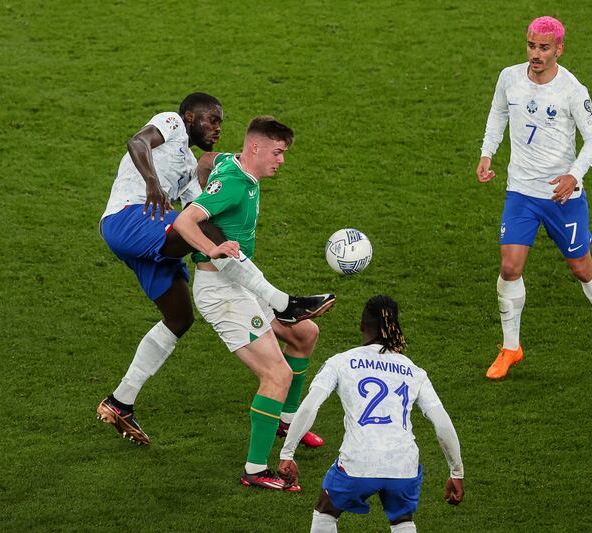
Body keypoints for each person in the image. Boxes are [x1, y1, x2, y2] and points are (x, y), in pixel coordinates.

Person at [96, 96, 334, 446]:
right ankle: (282, 301)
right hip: (129, 217)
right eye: (211, 120)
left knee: (179, 318)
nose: (218, 127)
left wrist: (231, 179)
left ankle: (120, 402)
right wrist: (152, 184)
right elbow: (137, 142)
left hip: (148, 232)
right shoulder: (172, 124)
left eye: (221, 121)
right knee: (206, 233)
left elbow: (203, 199)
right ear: (190, 117)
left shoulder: (189, 165)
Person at [173, 116, 334, 491]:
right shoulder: (232, 184)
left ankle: (286, 421)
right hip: (221, 293)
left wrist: (199, 180)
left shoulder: (232, 164)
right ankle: (256, 469)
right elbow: (185, 221)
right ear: (256, 148)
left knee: (305, 333)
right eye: (277, 152)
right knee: (275, 375)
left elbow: (207, 161)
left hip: (241, 283)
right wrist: (212, 247)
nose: (282, 160)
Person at [475, 16, 592, 379]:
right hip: (521, 193)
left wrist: (573, 176)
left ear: (559, 49)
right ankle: (511, 347)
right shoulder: (509, 78)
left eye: (544, 48)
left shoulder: (572, 90)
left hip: (563, 197)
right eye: (531, 45)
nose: (535, 54)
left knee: (581, 268)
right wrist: (487, 152)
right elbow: (498, 113)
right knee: (509, 267)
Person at [277, 295, 464, 532]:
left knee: (326, 510)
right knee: (403, 521)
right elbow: (442, 422)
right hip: (404, 465)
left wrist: (288, 453)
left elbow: (310, 406)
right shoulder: (413, 370)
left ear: (362, 326)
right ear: (394, 327)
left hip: (358, 463)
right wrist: (456, 472)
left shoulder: (341, 362)